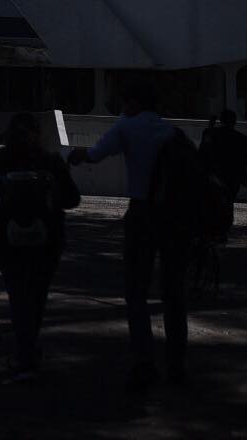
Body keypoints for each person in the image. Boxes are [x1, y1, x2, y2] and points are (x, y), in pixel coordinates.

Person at [68, 78, 185, 393]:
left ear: (132, 102)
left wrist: (74, 155)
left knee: (137, 291)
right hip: (175, 218)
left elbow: (95, 154)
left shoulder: (127, 127)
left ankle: (145, 363)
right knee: (173, 293)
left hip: (142, 213)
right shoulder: (172, 132)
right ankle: (177, 365)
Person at [0, 112, 80, 381]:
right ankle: (29, 348)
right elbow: (72, 200)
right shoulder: (51, 161)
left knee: (18, 295)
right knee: (37, 295)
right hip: (47, 240)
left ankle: (25, 352)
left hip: (7, 239)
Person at [200, 108, 247, 219]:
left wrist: (210, 127)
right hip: (233, 178)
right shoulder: (242, 139)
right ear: (235, 122)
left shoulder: (211, 133)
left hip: (214, 175)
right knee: (228, 202)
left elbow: (203, 152)